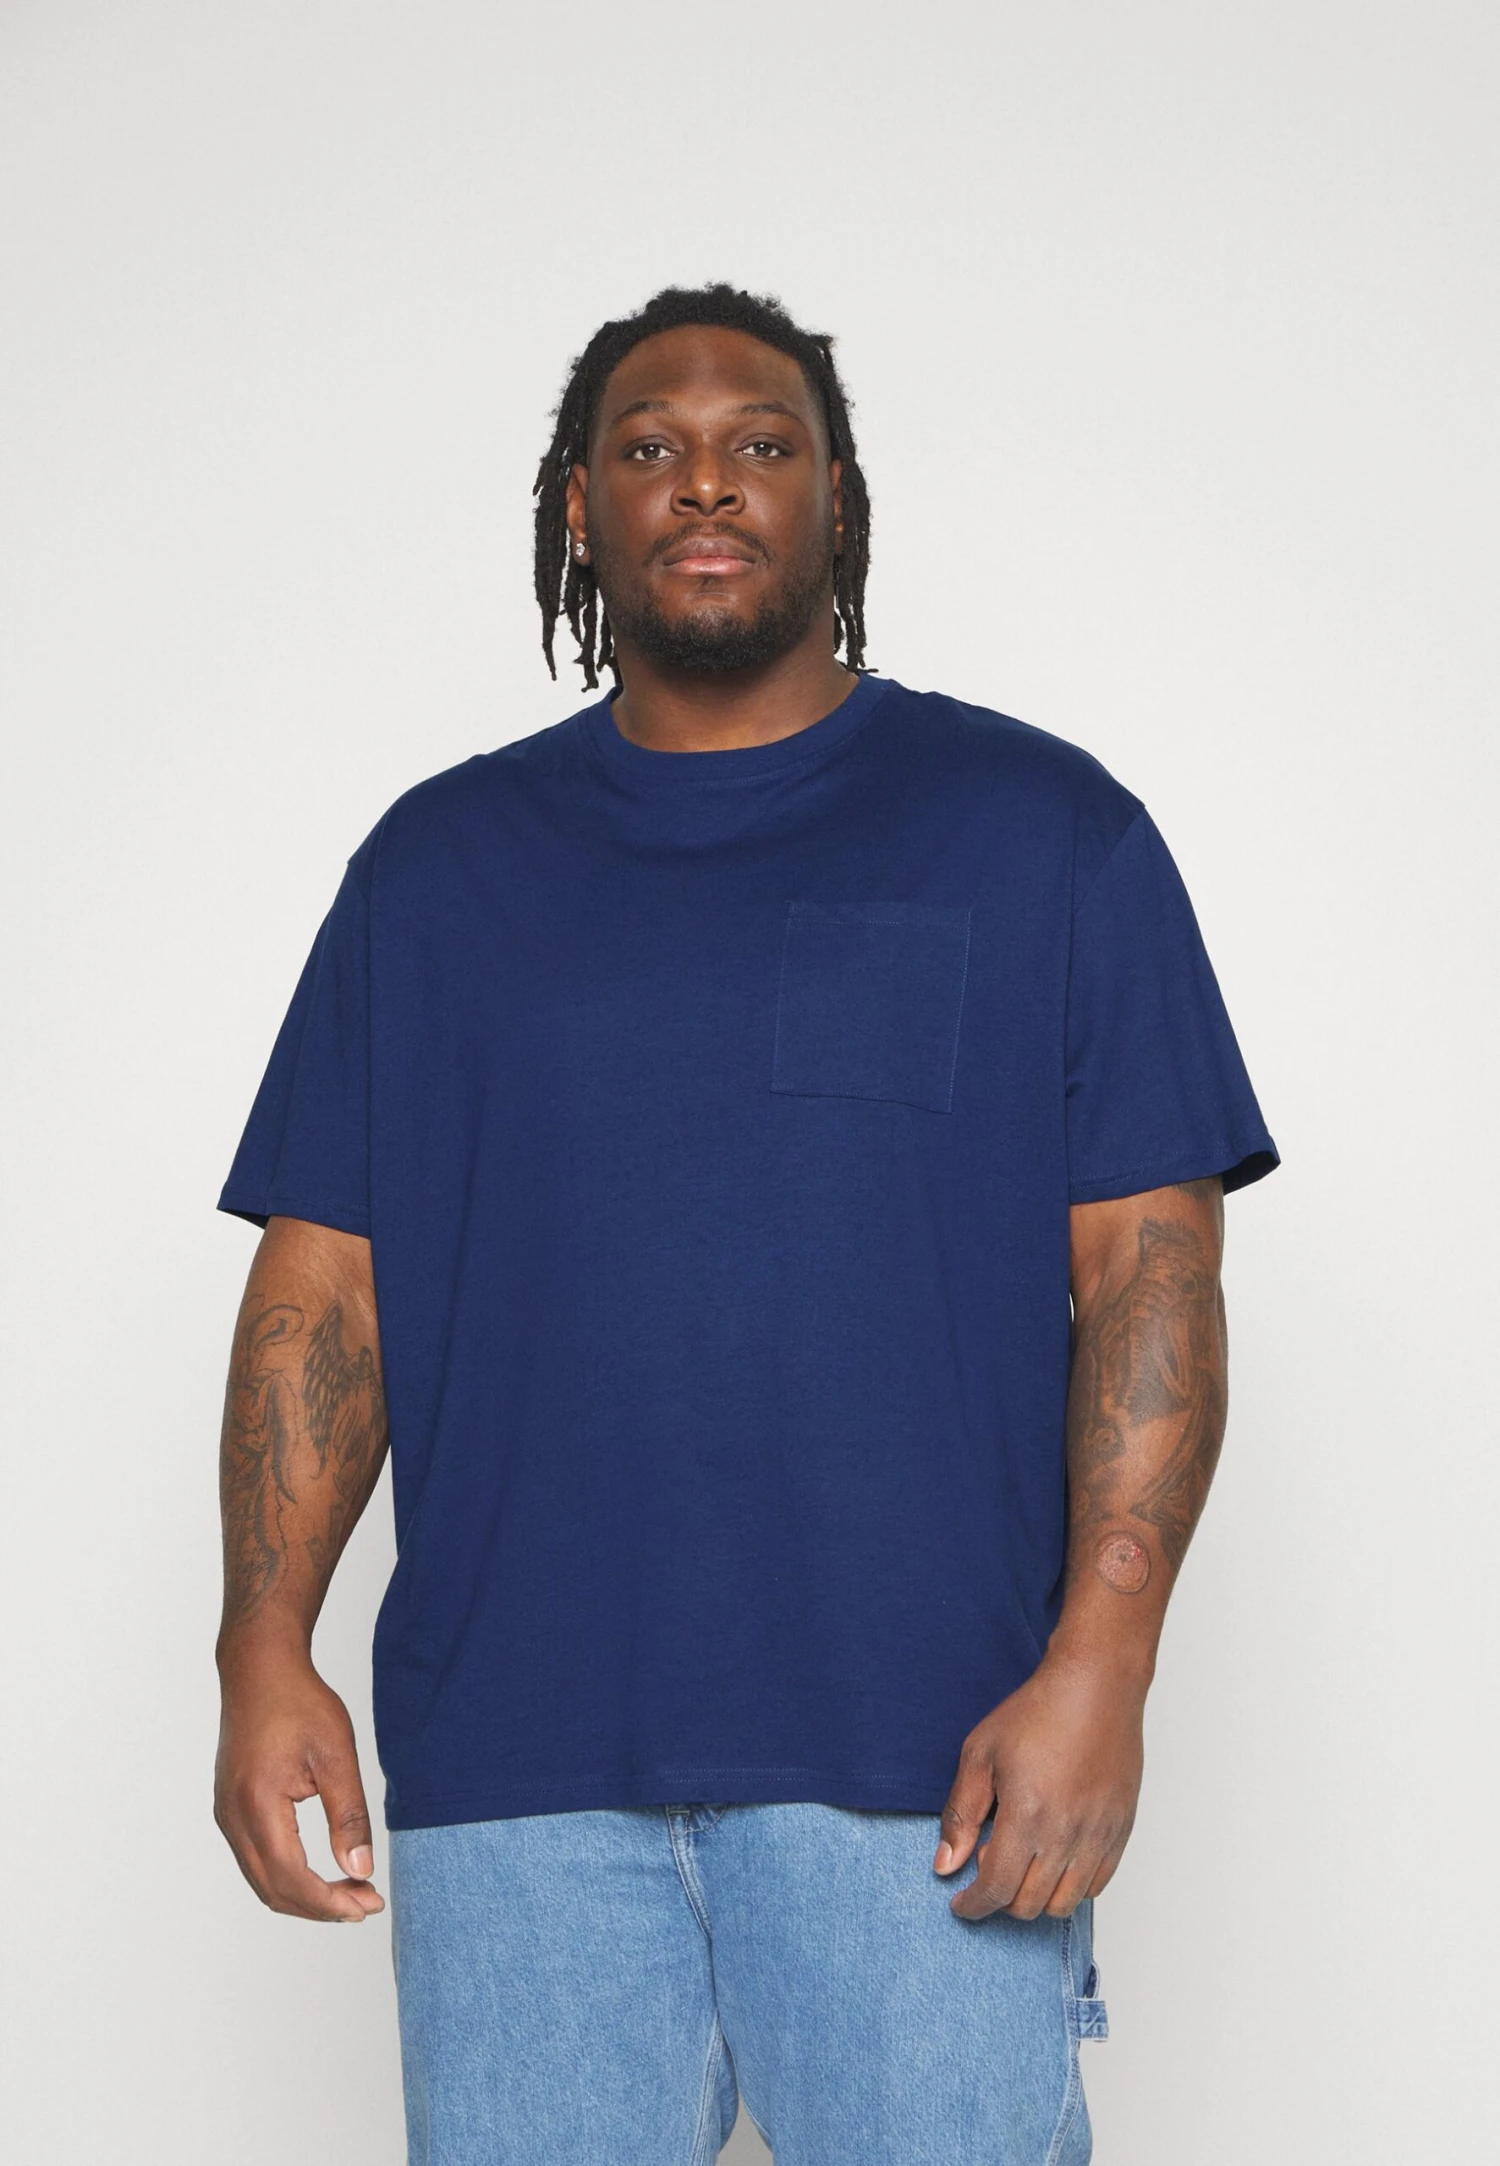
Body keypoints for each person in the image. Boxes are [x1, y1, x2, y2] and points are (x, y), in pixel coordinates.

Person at [212, 282, 1278, 2165]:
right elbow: (332, 1291)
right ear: (580, 507)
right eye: (650, 447)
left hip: (927, 1766)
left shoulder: (1042, 832)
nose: (706, 481)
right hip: (518, 1784)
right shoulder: (436, 874)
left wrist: (1104, 1668)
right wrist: (260, 1642)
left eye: (761, 443)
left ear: (836, 497)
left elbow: (1151, 1275)